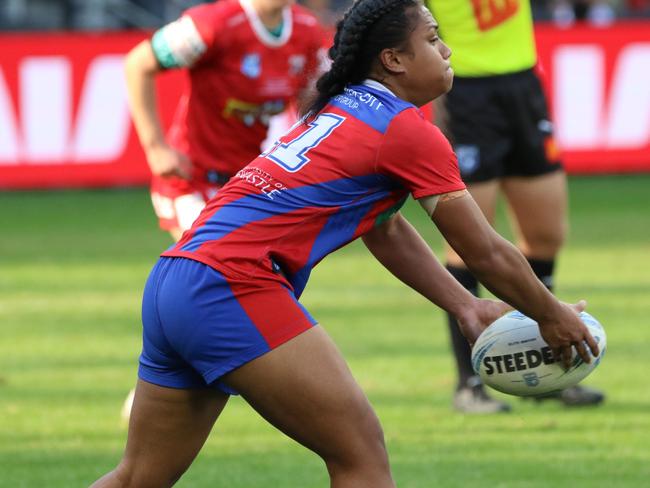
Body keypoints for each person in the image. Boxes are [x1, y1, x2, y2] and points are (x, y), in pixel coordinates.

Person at [92, 1, 599, 486]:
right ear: (394, 60)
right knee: (361, 456)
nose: (446, 50)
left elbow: (383, 227)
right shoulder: (404, 130)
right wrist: (553, 316)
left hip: (175, 281)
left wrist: (465, 304)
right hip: (232, 289)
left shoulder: (340, 108)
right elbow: (484, 250)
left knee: (138, 478)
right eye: (432, 38)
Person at [425, 0, 606, 413]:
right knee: (469, 243)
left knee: (545, 236)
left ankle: (552, 368)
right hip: (466, 94)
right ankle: (469, 384)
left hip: (523, 87)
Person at [124, 0, 327, 241]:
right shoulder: (211, 24)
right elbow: (137, 64)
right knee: (215, 259)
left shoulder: (307, 29)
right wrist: (155, 148)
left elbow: (310, 102)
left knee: (263, 269)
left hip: (247, 181)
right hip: (191, 177)